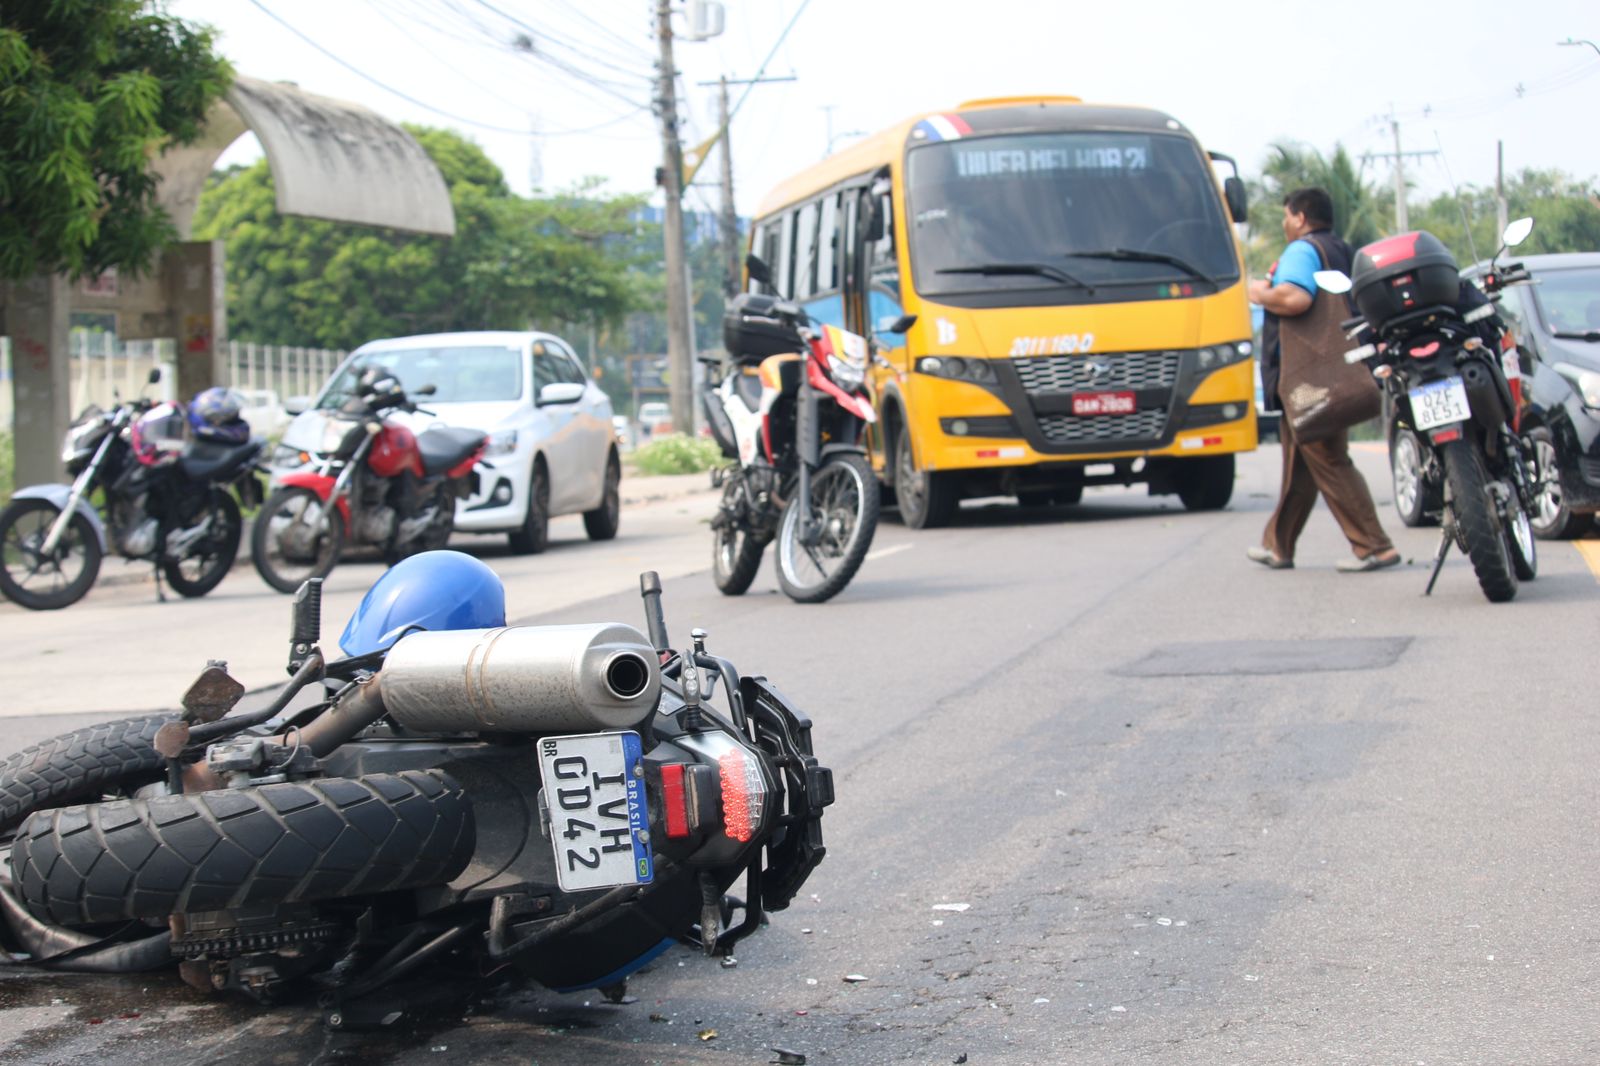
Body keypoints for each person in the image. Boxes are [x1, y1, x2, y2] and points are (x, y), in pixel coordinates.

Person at [1247, 187, 1400, 572]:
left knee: (1328, 458)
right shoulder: (1341, 249)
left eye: (1286, 215)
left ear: (1299, 217)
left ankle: (1374, 546)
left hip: (1310, 380)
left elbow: (1295, 298)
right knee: (1301, 462)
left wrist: (1261, 293)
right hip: (1334, 372)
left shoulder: (1301, 250)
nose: (1284, 223)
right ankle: (1278, 545)